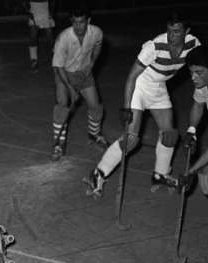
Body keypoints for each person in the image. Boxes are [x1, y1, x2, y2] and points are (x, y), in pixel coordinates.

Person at [85, 11, 201, 197]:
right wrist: (126, 107)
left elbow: (201, 68)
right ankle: (97, 174)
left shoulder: (193, 44)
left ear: (187, 31)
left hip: (159, 87)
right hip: (140, 85)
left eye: (176, 31)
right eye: (169, 30)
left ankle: (160, 174)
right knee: (131, 139)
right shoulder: (154, 46)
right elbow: (132, 77)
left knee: (170, 135)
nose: (171, 36)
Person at [51, 3, 107, 162]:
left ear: (88, 21)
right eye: (74, 22)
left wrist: (92, 64)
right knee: (62, 106)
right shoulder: (64, 38)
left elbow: (98, 45)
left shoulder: (96, 32)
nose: (78, 26)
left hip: (84, 72)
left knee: (96, 106)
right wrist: (70, 88)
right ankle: (58, 144)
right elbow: (58, 67)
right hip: (64, 73)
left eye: (81, 22)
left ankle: (94, 134)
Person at [179, 45, 208, 194]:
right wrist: (191, 131)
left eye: (199, 72)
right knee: (204, 172)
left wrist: (191, 172)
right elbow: (198, 104)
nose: (193, 77)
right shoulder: (203, 85)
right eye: (191, 72)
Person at [26, 1, 57, 72]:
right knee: (33, 37)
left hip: (45, 9)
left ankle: (53, 56)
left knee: (50, 37)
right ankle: (34, 60)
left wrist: (52, 11)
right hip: (33, 9)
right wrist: (28, 11)